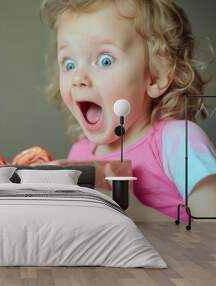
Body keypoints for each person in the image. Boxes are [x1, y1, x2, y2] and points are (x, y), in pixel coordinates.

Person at [40, 0, 216, 221]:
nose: (77, 78)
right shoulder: (79, 154)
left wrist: (135, 212)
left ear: (156, 75)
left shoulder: (179, 141)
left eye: (105, 60)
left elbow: (210, 236)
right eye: (68, 64)